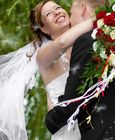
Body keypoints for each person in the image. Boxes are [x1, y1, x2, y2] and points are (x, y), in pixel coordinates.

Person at [45, 0, 115, 140]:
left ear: (82, 8)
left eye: (71, 13)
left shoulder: (88, 41)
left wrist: (51, 119)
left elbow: (73, 102)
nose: (70, 21)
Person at [0, 0, 93, 140]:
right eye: (49, 14)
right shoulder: (43, 56)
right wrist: (102, 19)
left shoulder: (85, 43)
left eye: (58, 7)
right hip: (66, 129)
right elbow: (62, 42)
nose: (57, 12)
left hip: (92, 122)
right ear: (44, 29)